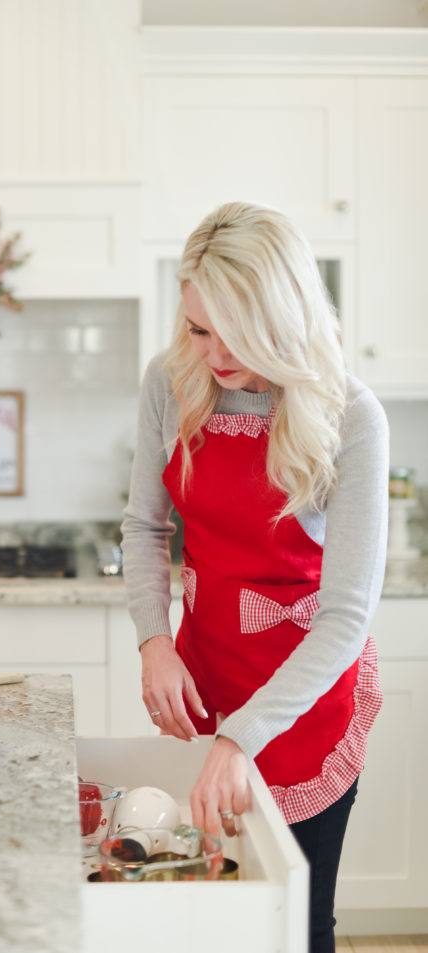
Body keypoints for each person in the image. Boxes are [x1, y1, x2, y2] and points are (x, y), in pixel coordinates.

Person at [121, 201, 388, 953]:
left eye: (232, 329)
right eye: (198, 327)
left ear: (281, 311)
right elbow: (144, 528)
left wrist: (244, 739)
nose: (211, 350)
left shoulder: (351, 417)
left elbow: (346, 618)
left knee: (294, 925)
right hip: (207, 681)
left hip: (305, 708)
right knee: (204, 915)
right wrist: (153, 642)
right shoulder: (171, 382)